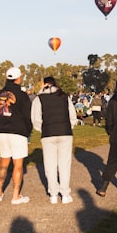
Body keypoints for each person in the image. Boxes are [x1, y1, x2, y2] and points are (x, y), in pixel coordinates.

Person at [31, 76, 77, 204]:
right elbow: (72, 115)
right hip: (65, 132)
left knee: (50, 164)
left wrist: (43, 128)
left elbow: (35, 118)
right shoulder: (64, 97)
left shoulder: (39, 99)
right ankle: (65, 193)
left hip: (48, 133)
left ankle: (53, 193)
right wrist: (69, 125)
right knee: (64, 164)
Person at [0, 67, 33, 205]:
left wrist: (1, 124)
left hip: (3, 131)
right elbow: (28, 116)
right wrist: (28, 131)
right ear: (18, 78)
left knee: (4, 163)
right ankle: (15, 196)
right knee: (18, 164)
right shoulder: (22, 95)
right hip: (18, 131)